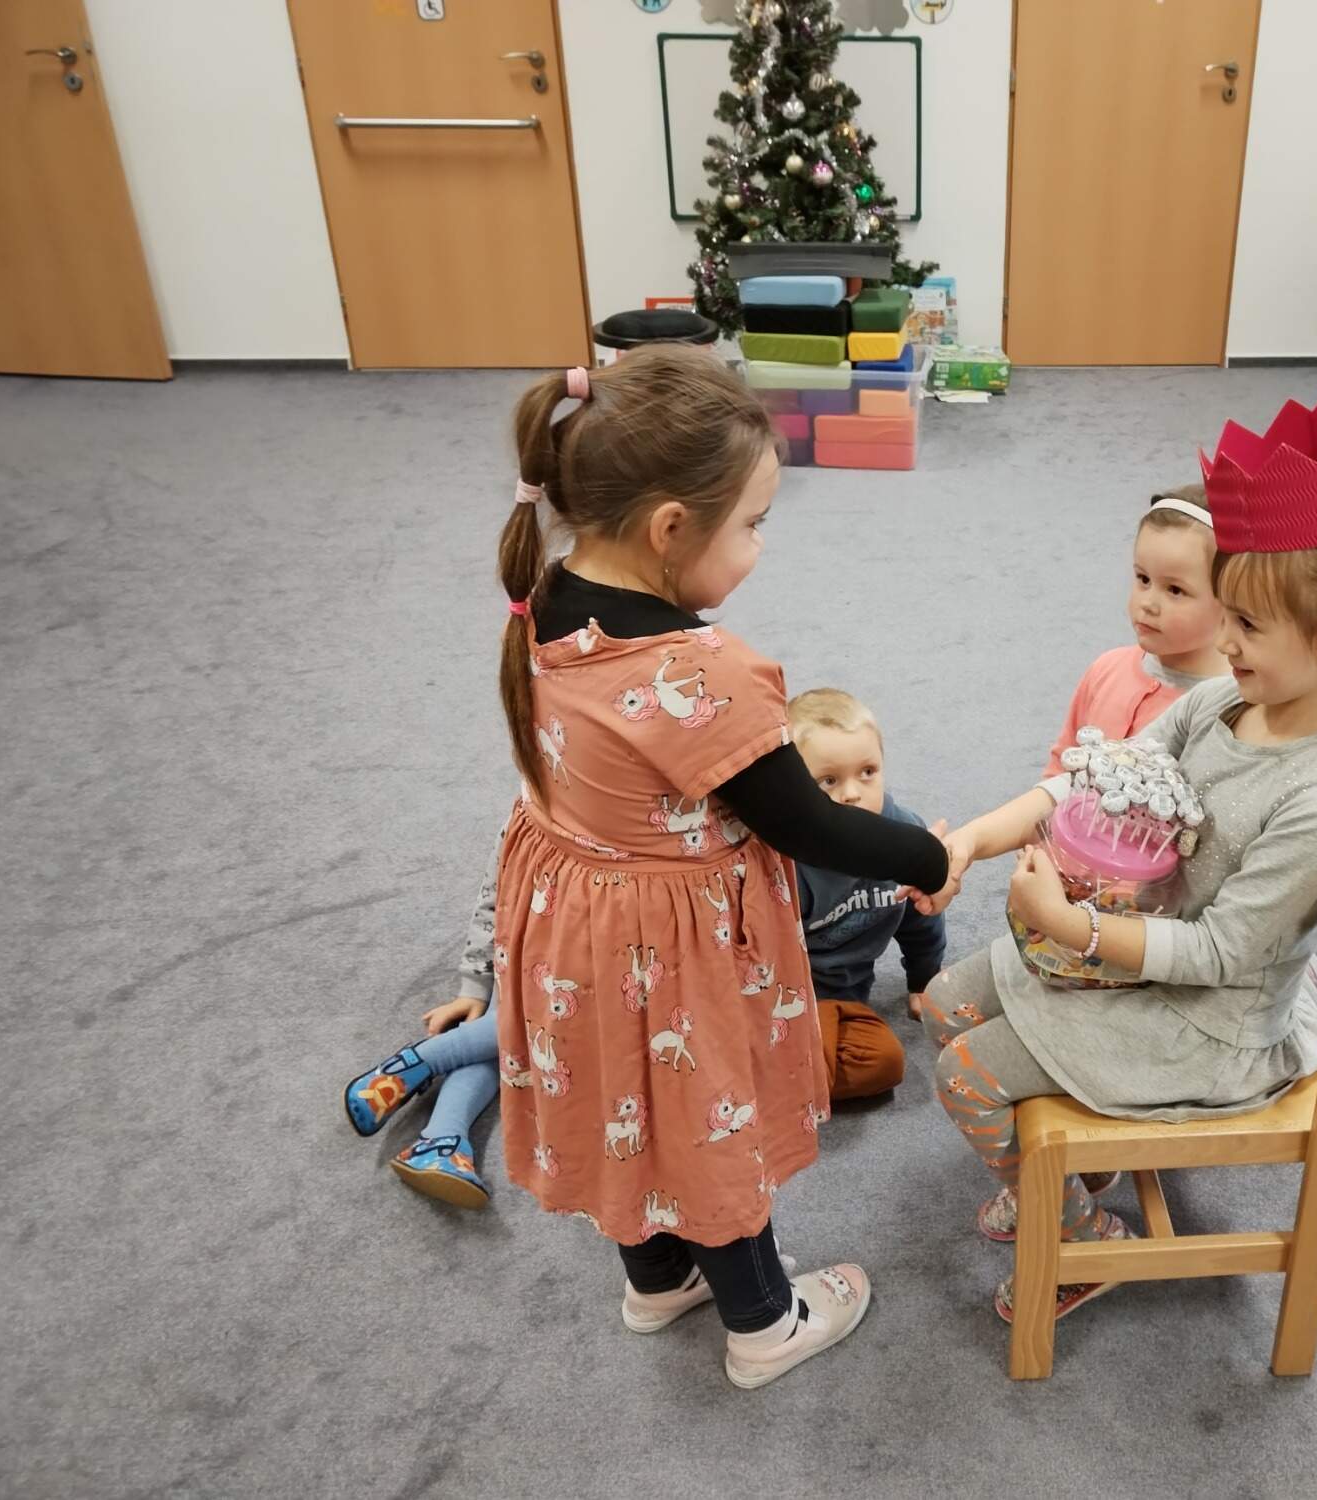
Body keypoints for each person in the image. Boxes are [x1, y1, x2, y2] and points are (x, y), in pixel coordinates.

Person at [489, 349, 955, 1388]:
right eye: (750, 524)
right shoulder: (700, 675)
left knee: (629, 1103)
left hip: (577, 922)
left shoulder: (542, 596)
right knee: (706, 1116)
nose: (757, 546)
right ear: (669, 528)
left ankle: (659, 1279)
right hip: (667, 944)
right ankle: (763, 1323)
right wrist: (927, 854)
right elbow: (811, 826)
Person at [927, 396, 1317, 1323]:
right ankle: (1069, 1169)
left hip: (1206, 1022)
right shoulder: (1231, 701)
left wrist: (1071, 925)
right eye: (1227, 615)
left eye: (1247, 626)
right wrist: (976, 841)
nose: (1223, 642)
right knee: (943, 1003)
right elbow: (1097, 778)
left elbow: (1224, 956)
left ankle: (1083, 1237)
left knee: (966, 1075)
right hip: (1140, 944)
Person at [341, 821, 509, 1207]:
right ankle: (420, 1071)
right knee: (537, 1027)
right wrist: (475, 983)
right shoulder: (535, 810)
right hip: (548, 955)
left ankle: (438, 1135)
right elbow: (497, 889)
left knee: (511, 1039)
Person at [788, 687, 945, 1085]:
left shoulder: (904, 834)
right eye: (828, 780)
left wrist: (923, 981)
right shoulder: (784, 859)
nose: (853, 793)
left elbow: (923, 919)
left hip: (846, 998)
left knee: (882, 1063)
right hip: (783, 998)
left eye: (868, 772)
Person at [1042, 483, 1229, 777]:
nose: (1148, 603)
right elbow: (1062, 763)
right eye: (1143, 578)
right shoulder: (1106, 669)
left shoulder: (1228, 709)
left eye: (1175, 590)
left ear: (1231, 599)